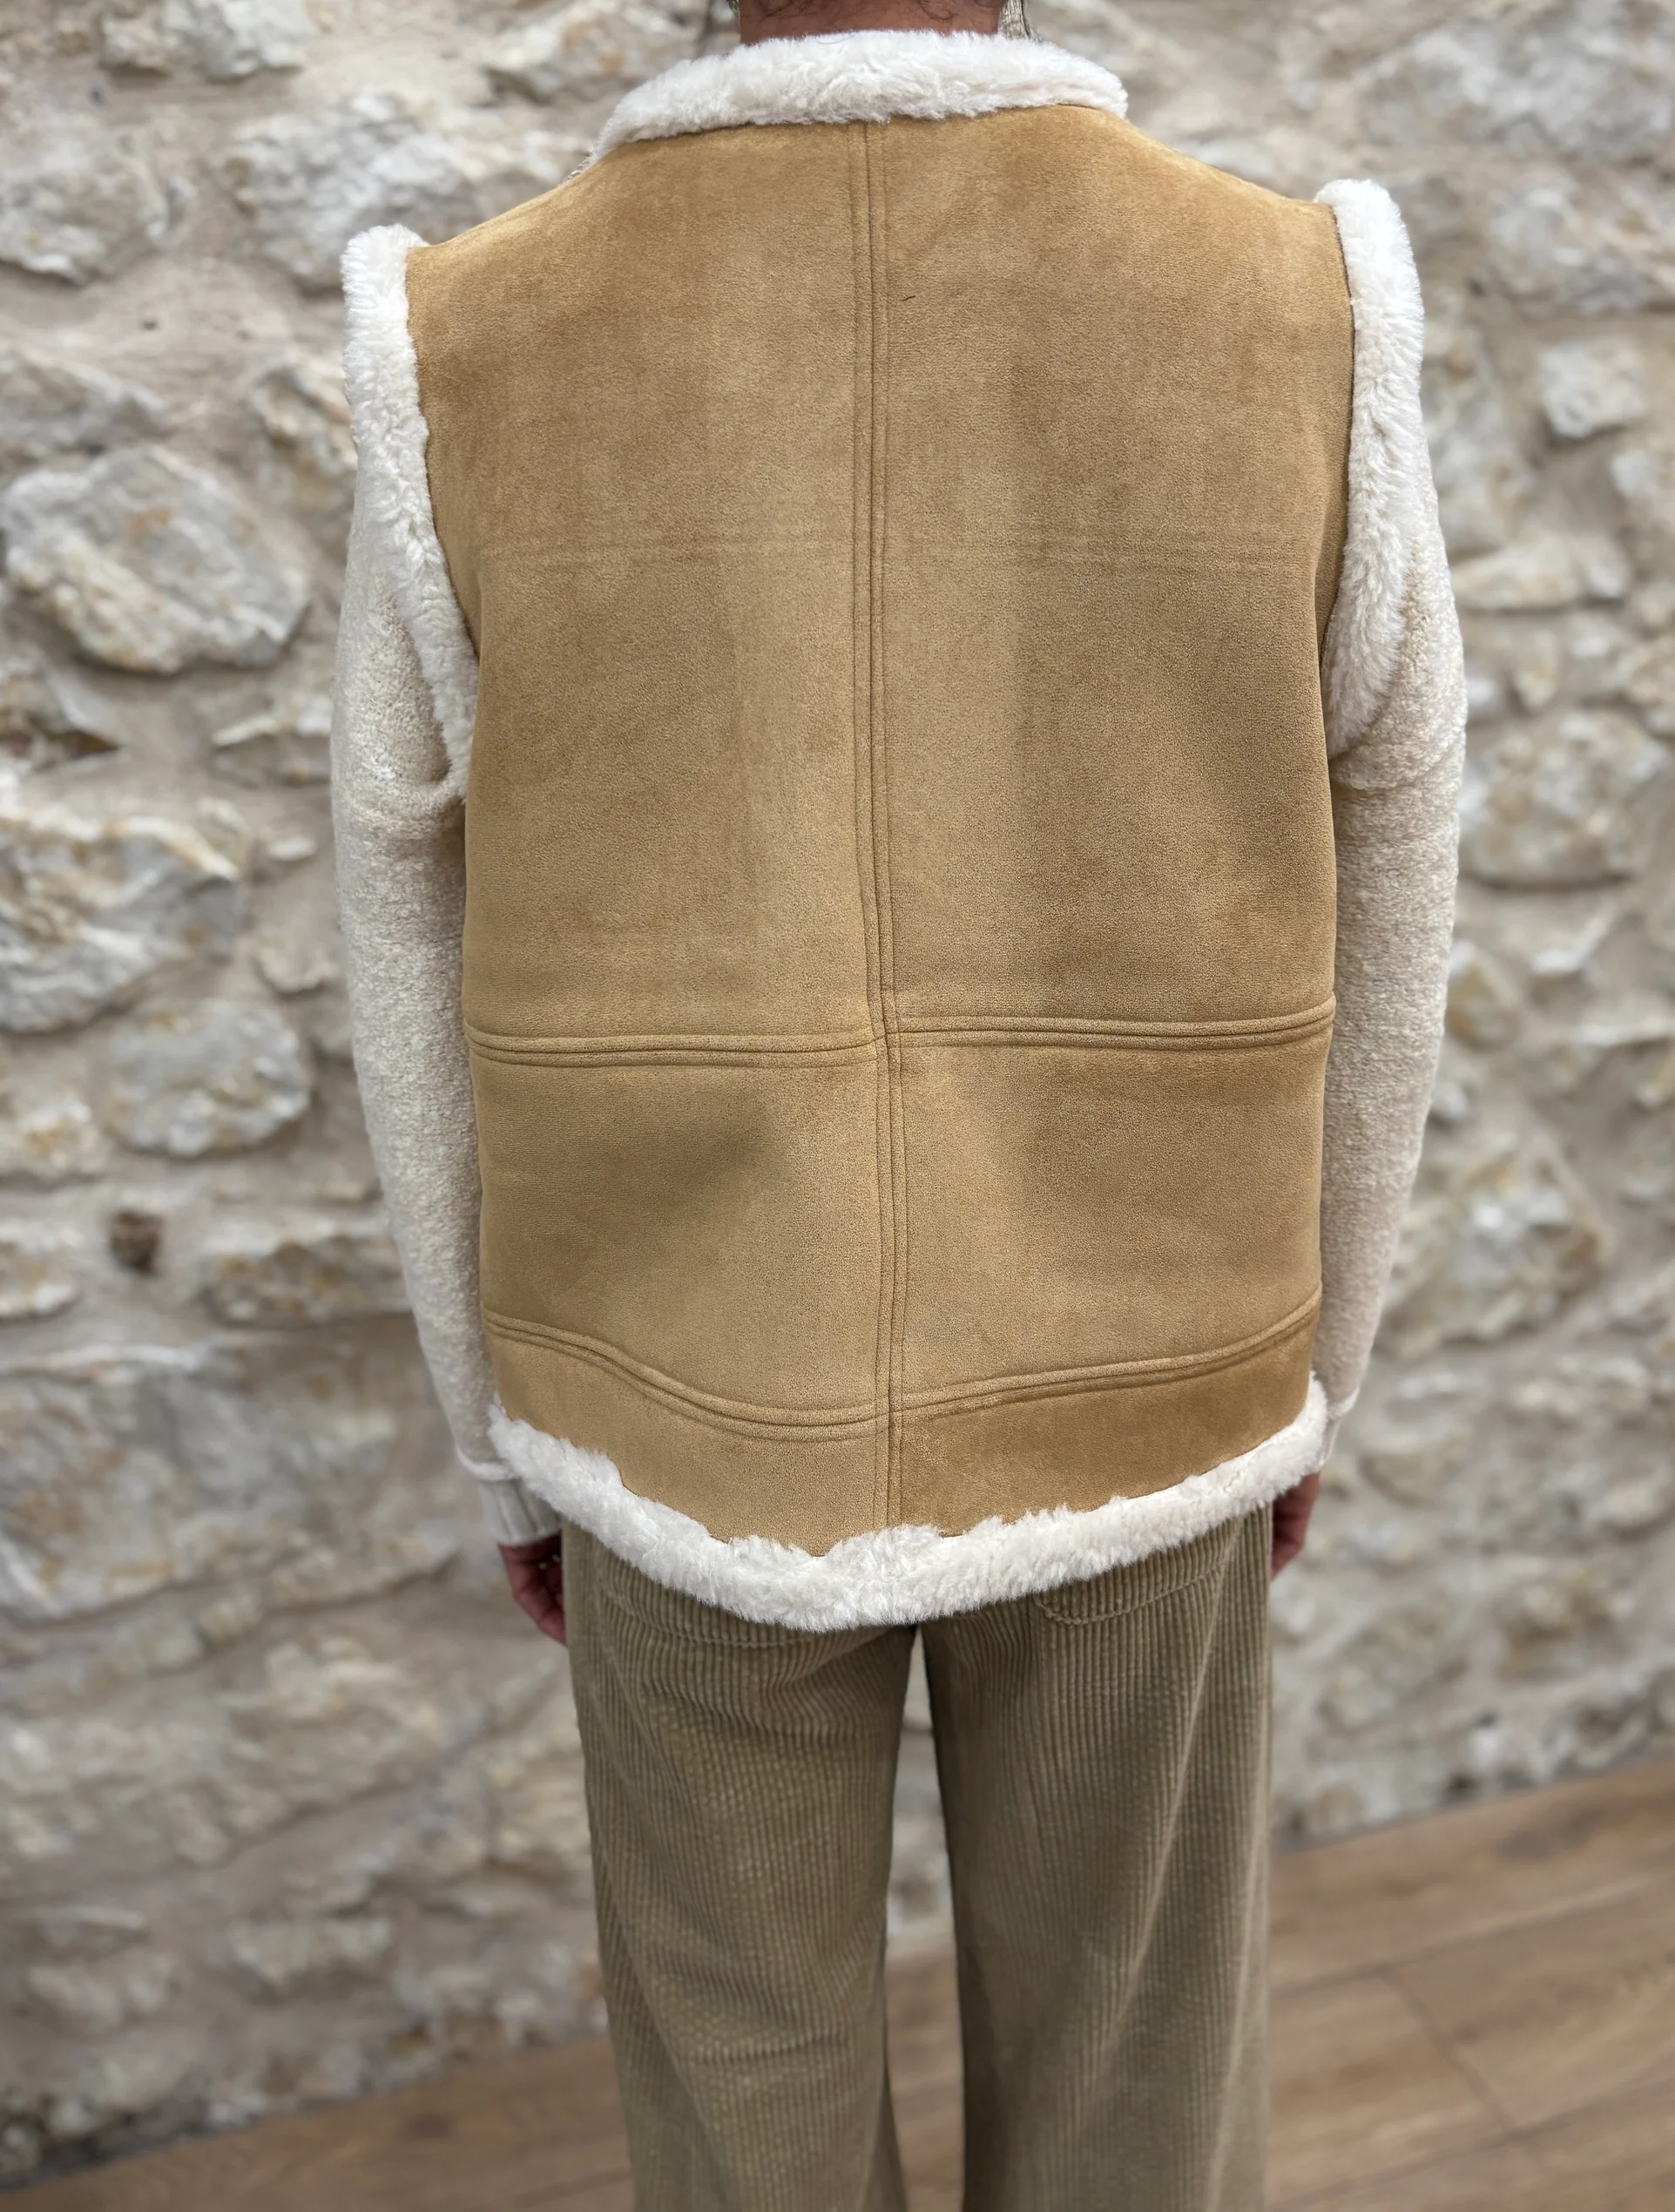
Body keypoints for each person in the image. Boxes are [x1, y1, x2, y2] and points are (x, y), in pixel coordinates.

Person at [331, 0, 1463, 2202]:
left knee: (733, 2082)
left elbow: (398, 895)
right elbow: (1398, 836)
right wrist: (1315, 1366)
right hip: (1152, 1364)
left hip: (668, 1378)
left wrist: (494, 1430)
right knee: (1139, 2077)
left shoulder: (473, 336)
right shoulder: (1288, 298)